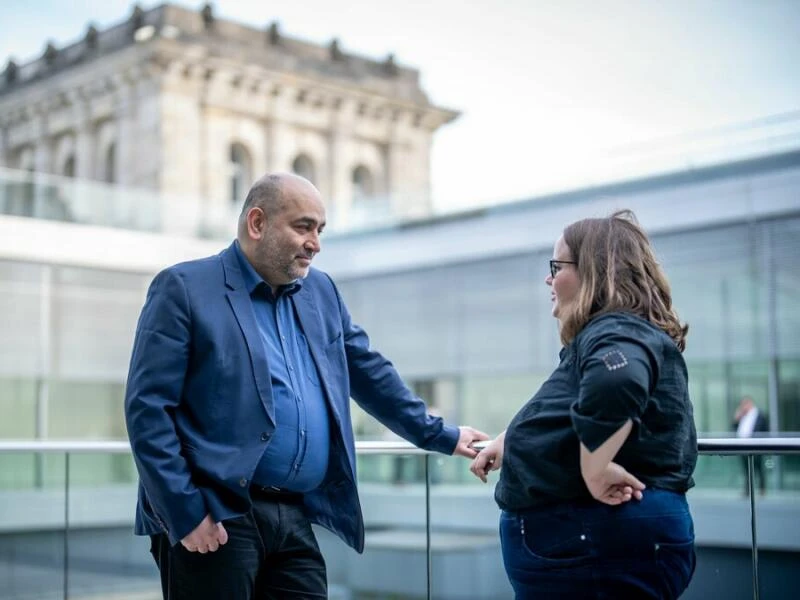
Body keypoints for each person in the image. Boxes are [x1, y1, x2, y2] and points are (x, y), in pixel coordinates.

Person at [124, 172, 488, 599]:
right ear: (256, 224)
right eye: (303, 226)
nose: (315, 242)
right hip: (215, 514)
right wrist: (185, 513)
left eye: (320, 229)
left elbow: (369, 373)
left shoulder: (321, 291)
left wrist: (440, 435)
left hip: (294, 513)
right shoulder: (183, 288)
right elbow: (148, 409)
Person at [470, 209, 698, 599]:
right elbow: (586, 402)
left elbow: (618, 378)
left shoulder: (616, 332)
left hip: (589, 542)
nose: (548, 277)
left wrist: (594, 468)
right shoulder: (618, 331)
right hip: (591, 543)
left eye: (556, 266)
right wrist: (517, 436)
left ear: (596, 271)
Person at [732, 396, 769, 496]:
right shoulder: (743, 416)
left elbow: (764, 429)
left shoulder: (759, 415)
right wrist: (736, 419)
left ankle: (762, 489)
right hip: (742, 446)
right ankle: (747, 490)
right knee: (746, 470)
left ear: (750, 403)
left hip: (756, 446)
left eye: (745, 404)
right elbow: (735, 429)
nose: (743, 407)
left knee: (759, 468)